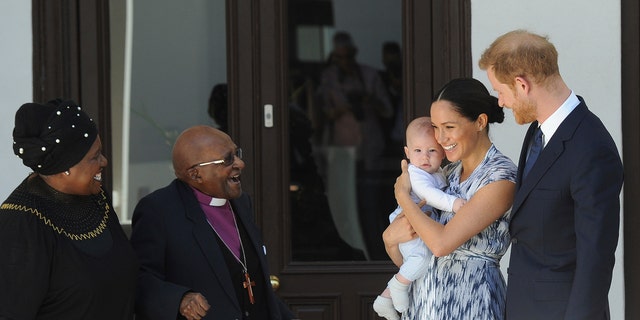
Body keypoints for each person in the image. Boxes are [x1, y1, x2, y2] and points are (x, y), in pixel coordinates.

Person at [479, 29, 624, 319]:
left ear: (522, 85)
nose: (500, 102)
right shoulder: (537, 130)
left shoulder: (592, 147)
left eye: (500, 91)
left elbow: (596, 257)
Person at [382, 78, 518, 319]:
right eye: (435, 127)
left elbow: (440, 244)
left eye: (449, 127)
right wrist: (389, 239)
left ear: (480, 122)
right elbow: (412, 257)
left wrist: (403, 196)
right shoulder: (446, 175)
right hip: (424, 304)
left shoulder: (501, 177)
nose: (440, 138)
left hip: (471, 304)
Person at [130, 125, 294, 320]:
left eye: (237, 154)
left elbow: (256, 283)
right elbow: (140, 281)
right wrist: (178, 299)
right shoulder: (158, 210)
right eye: (228, 159)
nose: (240, 164)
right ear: (195, 174)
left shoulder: (241, 203)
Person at [0, 99, 138, 319]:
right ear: (65, 168)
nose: (104, 161)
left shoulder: (96, 197)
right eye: (95, 156)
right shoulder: (20, 225)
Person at [373, 117, 466, 320]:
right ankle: (397, 286)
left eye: (432, 151)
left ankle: (384, 298)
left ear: (442, 152)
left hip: (419, 225)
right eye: (417, 151)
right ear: (407, 153)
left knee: (417, 260)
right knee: (421, 258)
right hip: (407, 224)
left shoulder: (440, 173)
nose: (425, 157)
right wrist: (453, 203)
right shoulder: (415, 174)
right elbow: (429, 195)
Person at [316, 31, 396, 260]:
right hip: (341, 153)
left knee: (371, 207)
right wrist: (342, 109)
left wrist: (368, 100)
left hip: (371, 151)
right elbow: (319, 115)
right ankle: (350, 257)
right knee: (343, 209)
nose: (344, 62)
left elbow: (388, 110)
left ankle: (377, 257)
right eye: (339, 58)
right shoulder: (329, 78)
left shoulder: (369, 76)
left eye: (348, 57)